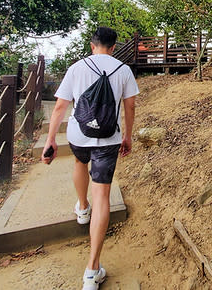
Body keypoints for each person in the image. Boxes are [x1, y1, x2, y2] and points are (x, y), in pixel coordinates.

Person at [42, 26, 139, 290]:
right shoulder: (123, 70)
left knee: (79, 163)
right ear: (114, 47)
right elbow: (130, 106)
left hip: (78, 135)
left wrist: (51, 139)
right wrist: (127, 135)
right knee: (103, 196)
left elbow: (61, 105)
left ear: (91, 44)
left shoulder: (76, 68)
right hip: (109, 139)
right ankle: (92, 269)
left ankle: (82, 208)